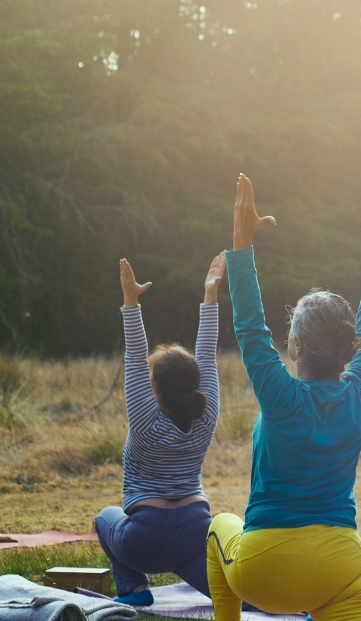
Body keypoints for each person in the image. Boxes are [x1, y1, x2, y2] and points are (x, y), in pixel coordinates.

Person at [207, 171, 361, 621]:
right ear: (349, 348)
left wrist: (241, 240)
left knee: (216, 529)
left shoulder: (280, 396)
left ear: (296, 346)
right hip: (338, 571)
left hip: (262, 572)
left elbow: (250, 326)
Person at [94, 252, 226, 606]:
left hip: (144, 541)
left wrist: (131, 302)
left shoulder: (144, 421)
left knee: (104, 518)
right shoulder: (207, 414)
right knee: (240, 597)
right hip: (196, 534)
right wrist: (210, 296)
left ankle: (135, 590)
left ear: (153, 388)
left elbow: (135, 356)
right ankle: (294, 601)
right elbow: (208, 353)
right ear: (196, 384)